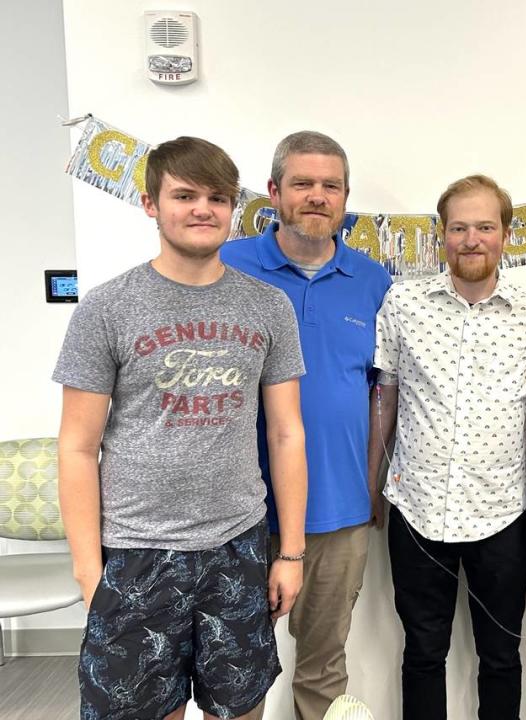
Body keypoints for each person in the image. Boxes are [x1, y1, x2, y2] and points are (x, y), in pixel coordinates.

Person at [54, 136, 308, 720]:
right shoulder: (107, 307)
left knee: (241, 708)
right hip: (135, 552)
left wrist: (289, 554)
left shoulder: (268, 308)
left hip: (237, 545)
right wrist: (90, 570)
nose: (203, 209)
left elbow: (287, 433)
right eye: (185, 195)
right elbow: (76, 446)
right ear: (150, 204)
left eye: (217, 197)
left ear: (233, 209)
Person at [221, 131, 391, 719]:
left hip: (339, 511)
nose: (317, 196)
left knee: (323, 667)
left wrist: (374, 486)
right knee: (236, 674)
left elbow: (383, 393)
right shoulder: (228, 265)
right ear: (273, 193)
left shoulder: (374, 281)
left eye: (330, 186)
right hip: (240, 511)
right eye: (302, 183)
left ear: (346, 198)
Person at [369, 175, 526, 720]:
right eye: (460, 227)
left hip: (502, 513)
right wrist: (371, 484)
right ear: (441, 235)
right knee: (422, 653)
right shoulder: (404, 303)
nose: (472, 239)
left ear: (507, 235)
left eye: (485, 227)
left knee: (501, 655)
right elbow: (386, 394)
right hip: (417, 508)